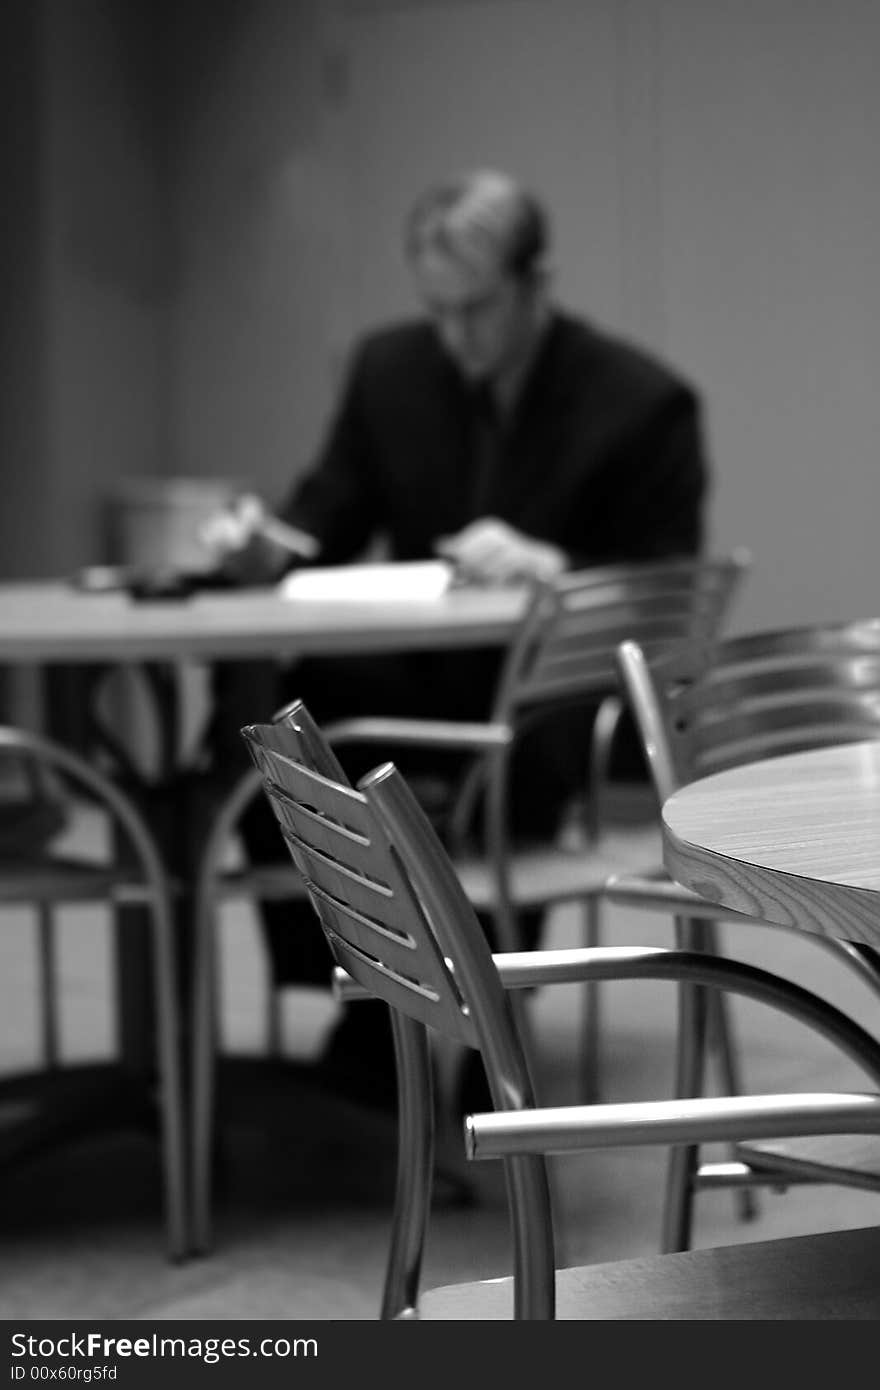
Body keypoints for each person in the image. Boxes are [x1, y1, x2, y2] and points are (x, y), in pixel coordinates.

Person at [201, 168, 709, 1103]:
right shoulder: (390, 368)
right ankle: (367, 1003)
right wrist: (264, 545)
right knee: (282, 718)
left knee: (511, 749)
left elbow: (665, 587)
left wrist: (558, 564)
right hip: (417, 677)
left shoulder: (640, 402)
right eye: (437, 311)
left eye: (476, 310)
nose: (455, 337)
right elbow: (330, 515)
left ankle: (491, 1024)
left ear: (536, 283)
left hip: (546, 700)